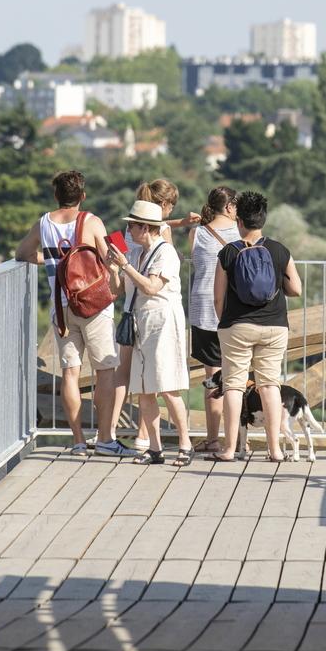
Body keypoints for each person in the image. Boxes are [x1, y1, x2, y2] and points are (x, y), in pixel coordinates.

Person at [14, 170, 135, 457]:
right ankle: (105, 438)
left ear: (56, 195)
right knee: (105, 368)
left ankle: (78, 440)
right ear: (82, 195)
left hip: (62, 306)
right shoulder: (91, 221)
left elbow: (22, 254)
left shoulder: (43, 223)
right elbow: (110, 257)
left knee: (70, 372)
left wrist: (50, 259)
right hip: (94, 305)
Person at [208, 191, 302, 462]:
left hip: (236, 326)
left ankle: (228, 449)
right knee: (270, 386)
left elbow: (217, 296)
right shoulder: (279, 250)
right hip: (274, 326)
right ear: (263, 219)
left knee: (235, 386)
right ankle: (274, 450)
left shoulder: (228, 252)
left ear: (239, 221)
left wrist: (224, 322)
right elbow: (296, 288)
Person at [107, 200, 193, 466]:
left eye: (132, 226)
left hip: (163, 323)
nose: (128, 231)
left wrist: (125, 266)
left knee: (168, 387)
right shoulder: (136, 254)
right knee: (144, 390)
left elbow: (152, 287)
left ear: (146, 228)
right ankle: (155, 449)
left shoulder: (165, 253)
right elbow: (118, 290)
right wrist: (113, 268)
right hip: (141, 324)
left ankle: (185, 444)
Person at [188, 186, 240, 453]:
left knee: (212, 379)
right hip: (234, 313)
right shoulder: (241, 234)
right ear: (230, 207)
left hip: (203, 312)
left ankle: (213, 439)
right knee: (237, 378)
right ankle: (238, 439)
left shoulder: (196, 233)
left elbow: (198, 265)